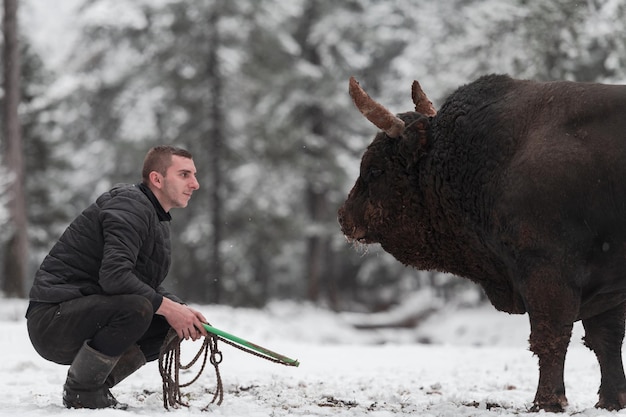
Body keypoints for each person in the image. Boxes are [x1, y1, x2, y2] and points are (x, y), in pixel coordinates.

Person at [25, 145, 209, 409]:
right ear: (157, 179)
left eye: (194, 174)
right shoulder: (130, 205)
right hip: (52, 322)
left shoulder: (154, 216)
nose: (195, 184)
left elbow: (144, 285)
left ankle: (95, 386)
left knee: (169, 327)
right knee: (140, 308)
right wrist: (169, 308)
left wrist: (182, 312)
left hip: (84, 315)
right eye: (184, 174)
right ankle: (82, 391)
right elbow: (115, 277)